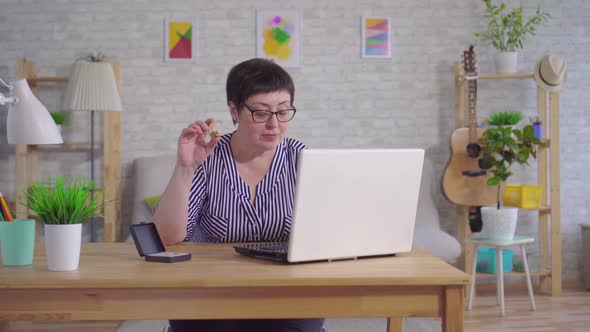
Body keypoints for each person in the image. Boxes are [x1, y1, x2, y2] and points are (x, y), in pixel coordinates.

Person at [153, 58, 324, 332]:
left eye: (282, 112)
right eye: (260, 112)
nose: (274, 124)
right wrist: (186, 168)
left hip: (287, 291)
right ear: (234, 110)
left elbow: (326, 232)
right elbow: (165, 237)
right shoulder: (208, 157)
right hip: (209, 289)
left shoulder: (300, 157)